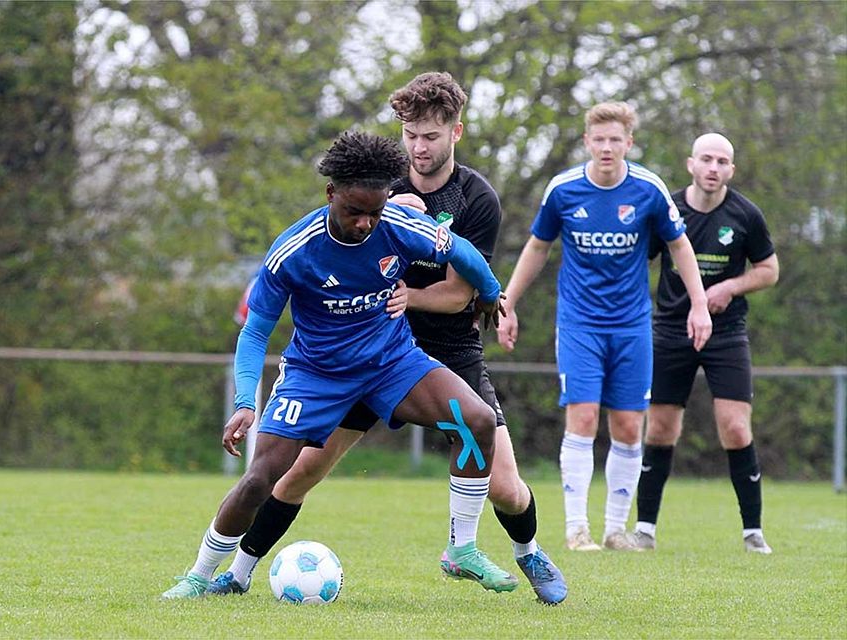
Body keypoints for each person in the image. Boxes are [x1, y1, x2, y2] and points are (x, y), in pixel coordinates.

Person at [206, 72, 568, 606]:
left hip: (444, 346)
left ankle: (526, 552)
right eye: (411, 136)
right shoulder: (378, 187)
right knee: (301, 470)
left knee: (504, 483)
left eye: (431, 137)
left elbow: (461, 292)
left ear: (455, 134)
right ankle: (235, 572)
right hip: (364, 347)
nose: (419, 148)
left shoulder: (476, 198)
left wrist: (411, 298)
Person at [162, 130, 516, 599]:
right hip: (316, 375)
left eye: (376, 210)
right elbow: (254, 331)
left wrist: (491, 293)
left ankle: (462, 549)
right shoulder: (295, 251)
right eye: (355, 211)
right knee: (261, 479)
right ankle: (201, 575)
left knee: (475, 420)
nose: (367, 223)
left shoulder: (398, 225)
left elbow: (461, 251)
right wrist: (246, 401)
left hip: (392, 363)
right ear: (331, 194)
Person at [497, 102, 713, 552]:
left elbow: (680, 247)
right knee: (583, 418)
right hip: (579, 324)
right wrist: (508, 303)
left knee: (630, 427)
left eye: (616, 139)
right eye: (599, 139)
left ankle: (616, 530)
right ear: (587, 142)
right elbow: (538, 247)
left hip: (632, 326)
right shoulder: (563, 190)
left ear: (629, 143)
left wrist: (699, 305)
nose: (607, 147)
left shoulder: (649, 190)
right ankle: (577, 529)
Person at [632, 133, 779, 553]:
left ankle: (753, 531)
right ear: (691, 163)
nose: (714, 168)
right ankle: (645, 529)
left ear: (731, 170)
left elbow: (768, 270)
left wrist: (732, 287)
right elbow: (639, 258)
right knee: (660, 428)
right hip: (670, 330)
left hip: (726, 332)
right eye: (707, 160)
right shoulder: (669, 209)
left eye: (722, 162)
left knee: (734, 426)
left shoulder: (746, 214)